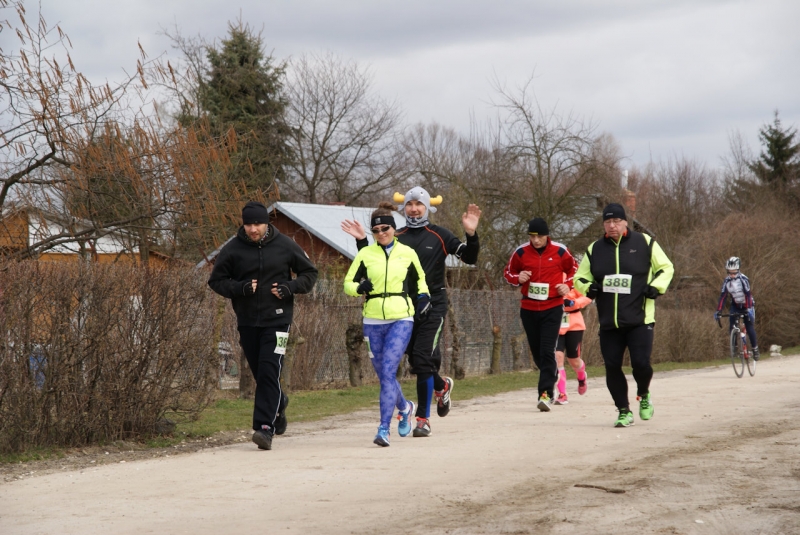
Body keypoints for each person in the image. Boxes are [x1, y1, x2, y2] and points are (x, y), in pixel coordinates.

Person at [341, 187, 480, 437]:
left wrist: (471, 234)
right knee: (418, 361)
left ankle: (423, 419)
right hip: (402, 306)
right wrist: (362, 240)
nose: (414, 209)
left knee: (422, 358)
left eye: (419, 204)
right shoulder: (397, 234)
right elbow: (373, 259)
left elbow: (470, 258)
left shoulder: (439, 235)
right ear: (403, 208)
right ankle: (442, 386)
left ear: (428, 207)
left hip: (433, 303)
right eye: (410, 204)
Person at [208, 201, 318, 451]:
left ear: (266, 224)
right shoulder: (233, 249)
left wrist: (289, 287)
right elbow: (216, 281)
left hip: (278, 321)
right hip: (247, 321)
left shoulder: (285, 245)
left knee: (269, 371)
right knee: (262, 373)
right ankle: (279, 403)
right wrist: (240, 288)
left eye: (257, 224)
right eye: (248, 224)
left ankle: (264, 428)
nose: (253, 229)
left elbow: (310, 275)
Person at [574, 203, 674, 428]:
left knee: (640, 364)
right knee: (612, 366)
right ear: (603, 224)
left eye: (616, 221)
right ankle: (623, 411)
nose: (612, 226)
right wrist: (589, 288)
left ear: (625, 222)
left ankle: (644, 393)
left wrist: (656, 287)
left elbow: (666, 268)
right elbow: (579, 278)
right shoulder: (595, 249)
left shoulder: (644, 242)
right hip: (609, 321)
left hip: (640, 319)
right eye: (608, 222)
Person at [344, 201, 431, 447]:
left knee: (389, 370)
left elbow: (420, 281)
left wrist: (424, 297)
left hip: (401, 317)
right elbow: (347, 284)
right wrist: (358, 288)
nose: (381, 233)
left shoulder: (407, 253)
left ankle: (384, 428)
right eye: (376, 231)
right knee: (384, 376)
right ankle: (405, 407)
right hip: (372, 319)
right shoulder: (365, 254)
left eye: (385, 229)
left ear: (394, 228)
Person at [503, 217, 576, 412]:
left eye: (540, 236)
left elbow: (574, 270)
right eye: (532, 236)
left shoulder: (560, 251)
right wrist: (518, 278)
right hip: (528, 308)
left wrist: (566, 285)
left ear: (547, 236)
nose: (536, 241)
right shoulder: (520, 252)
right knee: (537, 352)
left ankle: (545, 393)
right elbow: (508, 273)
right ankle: (550, 373)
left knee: (546, 350)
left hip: (552, 307)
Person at [714, 256, 759, 360]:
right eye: (730, 273)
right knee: (732, 324)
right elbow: (723, 296)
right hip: (736, 305)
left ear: (738, 271)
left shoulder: (743, 279)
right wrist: (719, 310)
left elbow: (748, 294)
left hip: (747, 304)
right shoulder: (726, 282)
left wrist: (748, 309)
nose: (732, 275)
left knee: (749, 326)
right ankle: (734, 347)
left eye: (734, 272)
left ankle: (755, 348)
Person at [553, 286, 592, 405]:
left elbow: (587, 297)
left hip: (574, 325)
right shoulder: (552, 279)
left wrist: (573, 303)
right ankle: (562, 394)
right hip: (555, 325)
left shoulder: (573, 280)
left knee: (573, 360)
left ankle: (581, 377)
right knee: (557, 357)